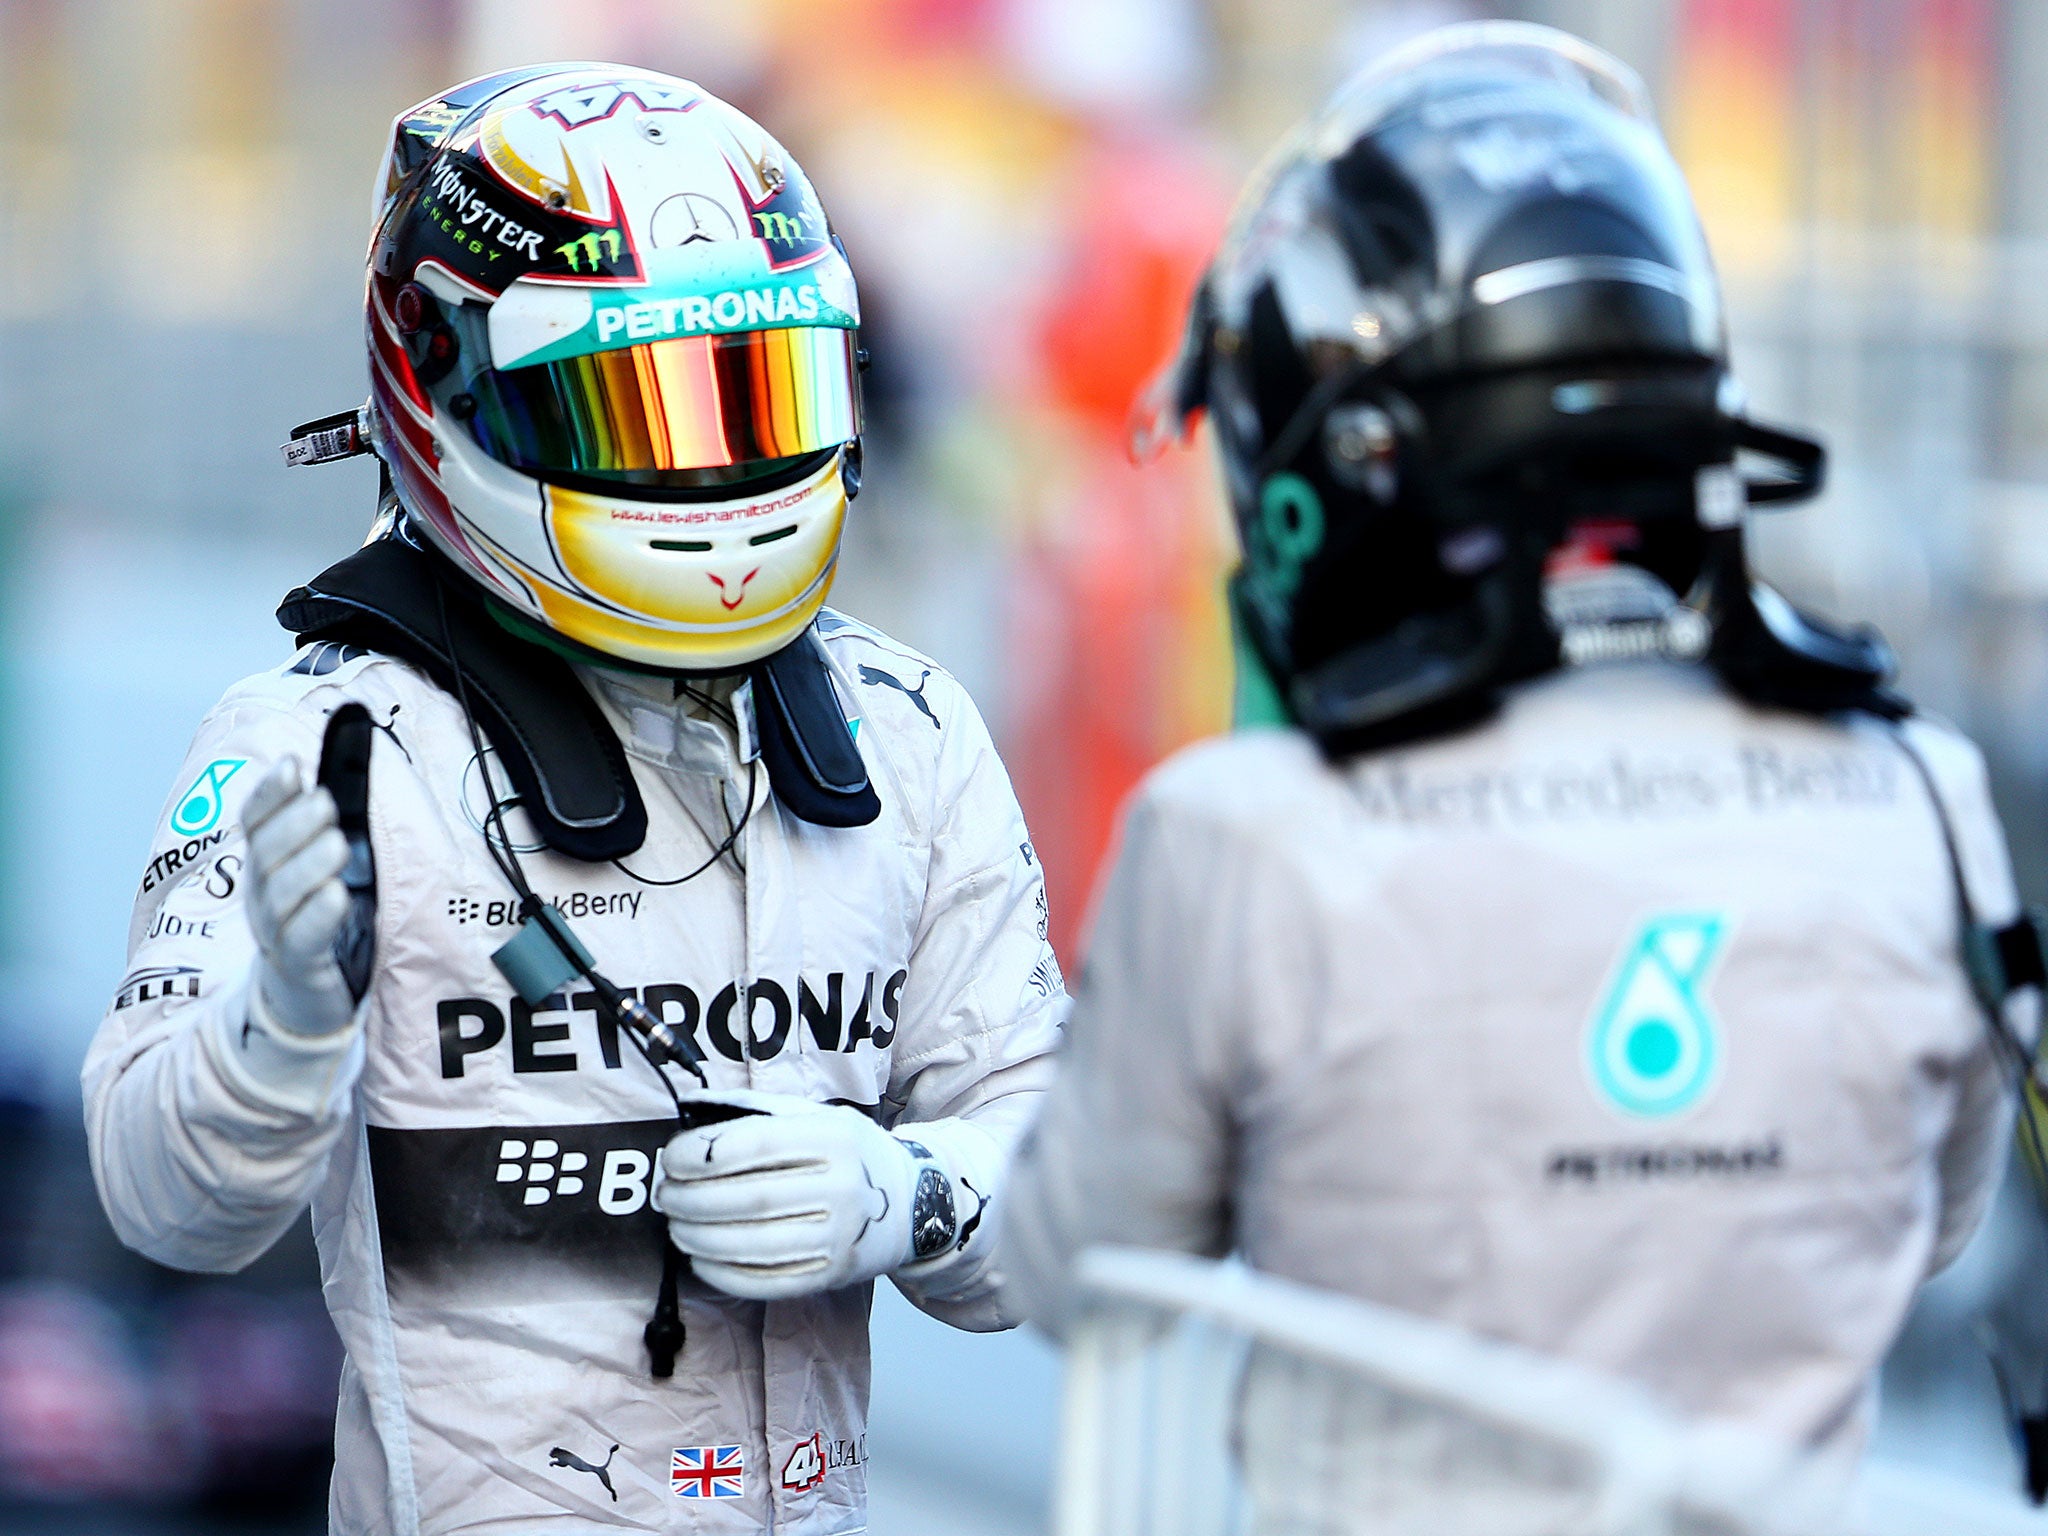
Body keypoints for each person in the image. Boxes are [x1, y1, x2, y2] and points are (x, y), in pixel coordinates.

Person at [1000, 22, 2038, 1476]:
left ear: (1318, 467)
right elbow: (1928, 1230)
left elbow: (1071, 1260)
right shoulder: (1922, 789)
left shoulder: (1238, 833)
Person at [84, 64, 1065, 1534]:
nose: (713, 469)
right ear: (450, 385)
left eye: (758, 387)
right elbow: (168, 1203)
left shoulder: (907, 731)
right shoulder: (322, 749)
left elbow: (1063, 1193)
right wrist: (279, 1029)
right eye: (629, 401)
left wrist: (908, 1190)